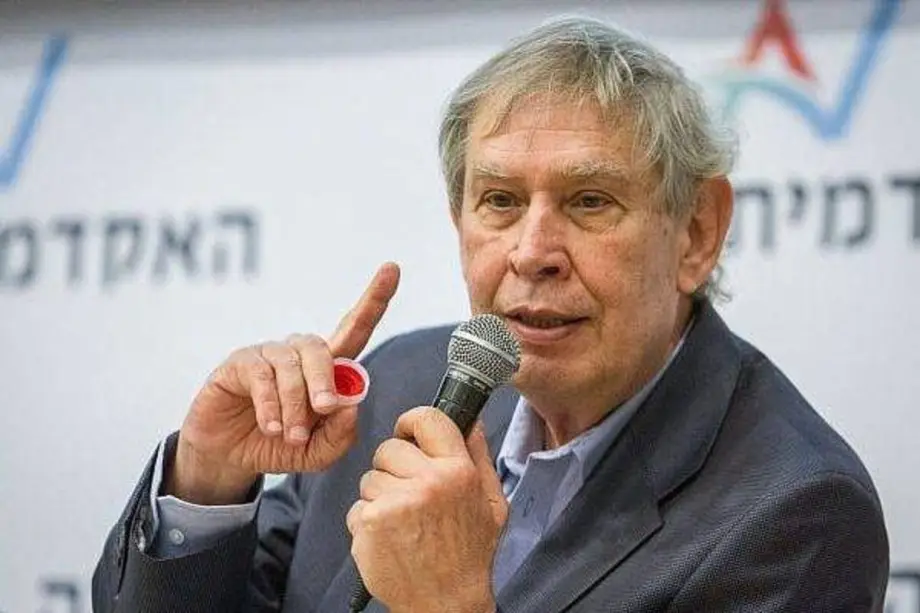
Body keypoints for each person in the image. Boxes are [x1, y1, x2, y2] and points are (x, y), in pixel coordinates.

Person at [91, 16, 889, 613]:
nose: (531, 251)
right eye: (501, 201)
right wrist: (208, 484)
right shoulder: (395, 385)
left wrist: (450, 604)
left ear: (697, 232)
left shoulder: (794, 513)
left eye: (590, 201)